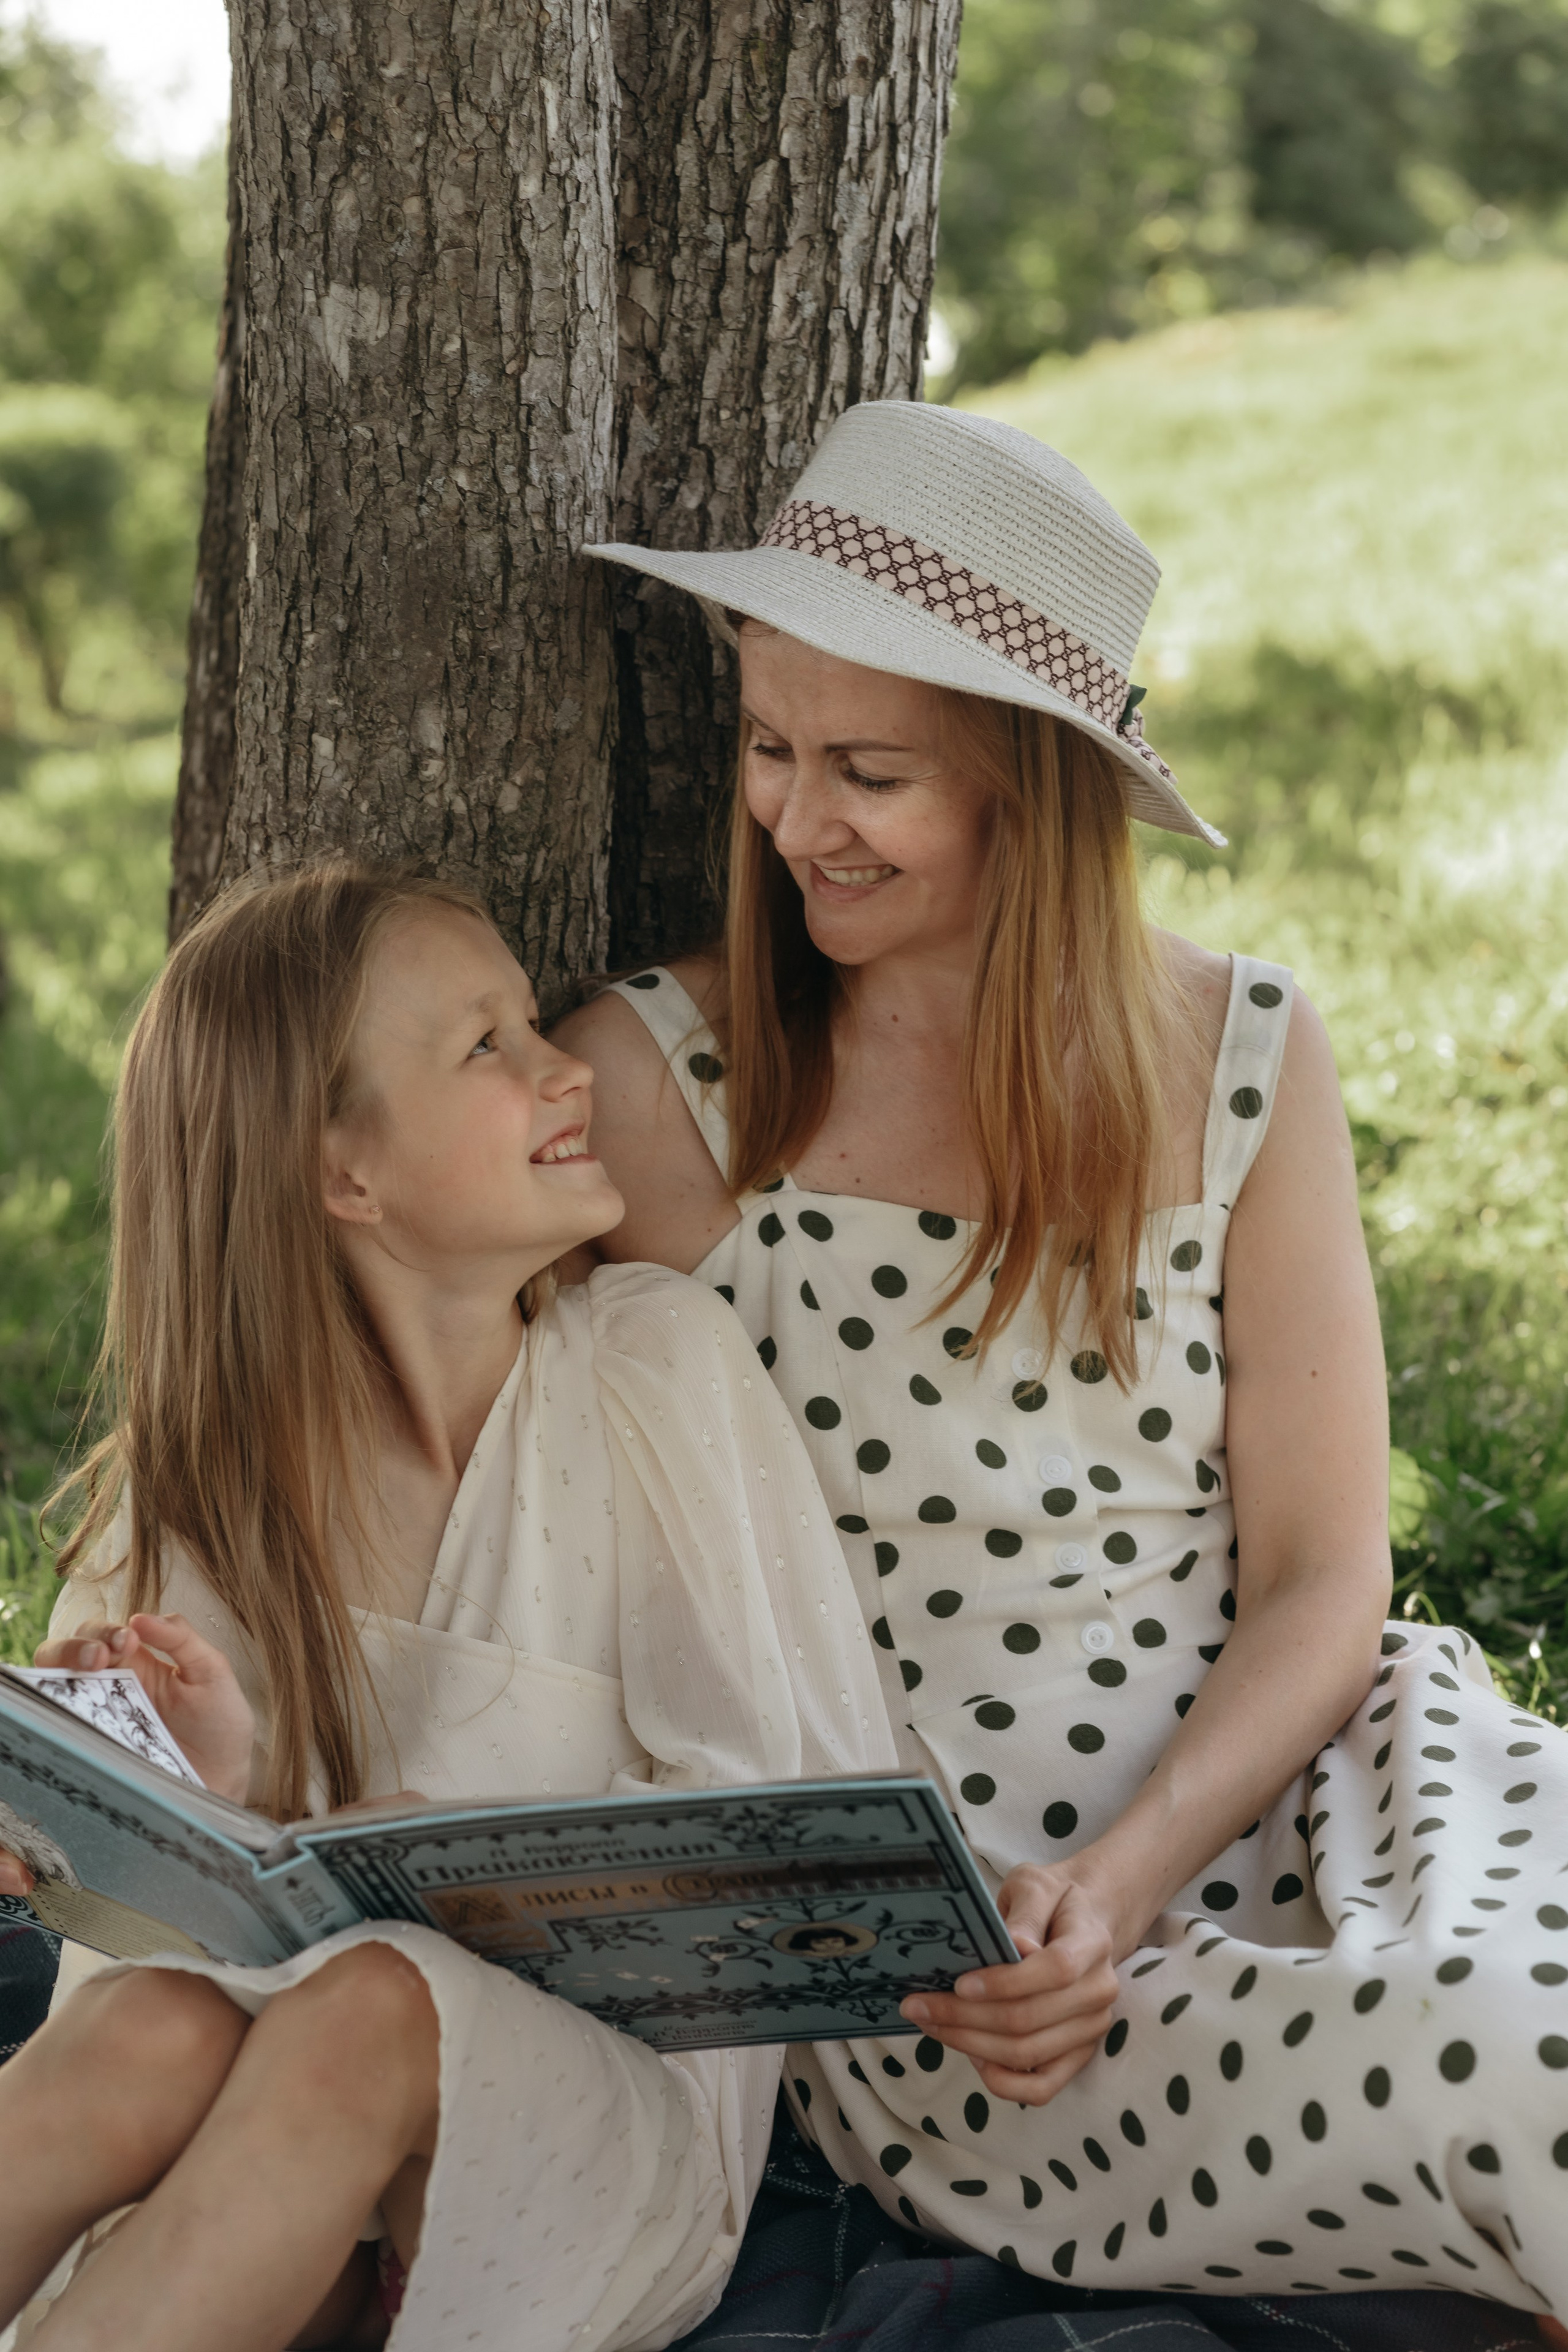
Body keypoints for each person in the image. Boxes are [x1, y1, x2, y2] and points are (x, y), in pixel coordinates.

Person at [552, 398, 1568, 2323]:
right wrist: (1073, 1920)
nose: (794, 820)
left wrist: (1140, 1866)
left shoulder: (1248, 1053)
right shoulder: (662, 1092)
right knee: (1519, 2081)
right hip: (978, 1958)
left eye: (870, 771)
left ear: (1039, 786)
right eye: (771, 748)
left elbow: (1326, 1577)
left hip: (1315, 1771)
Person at [0, 863, 893, 2352]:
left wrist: (451, 1894)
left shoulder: (651, 1373)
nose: (565, 1071)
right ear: (343, 1173)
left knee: (370, 2002)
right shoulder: (212, 1469)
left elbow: (786, 1845)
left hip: (597, 2114)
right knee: (148, 2027)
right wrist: (187, 1800)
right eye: (487, 1046)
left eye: (530, 1023)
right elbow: (147, 1934)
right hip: (268, 2135)